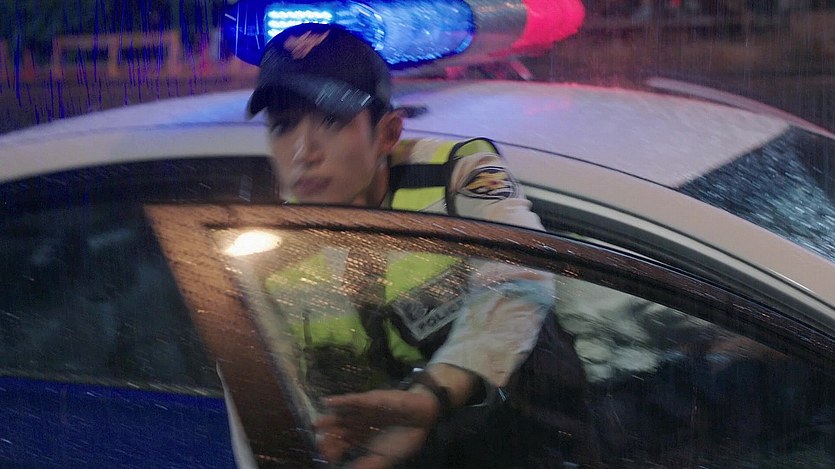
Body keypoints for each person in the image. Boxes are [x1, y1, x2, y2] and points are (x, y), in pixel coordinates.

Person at [244, 23, 595, 468]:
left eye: (332, 121)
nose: (303, 153)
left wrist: (433, 396)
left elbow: (521, 274)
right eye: (283, 126)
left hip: (530, 442)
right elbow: (270, 392)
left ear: (388, 134)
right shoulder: (269, 250)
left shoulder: (454, 176)